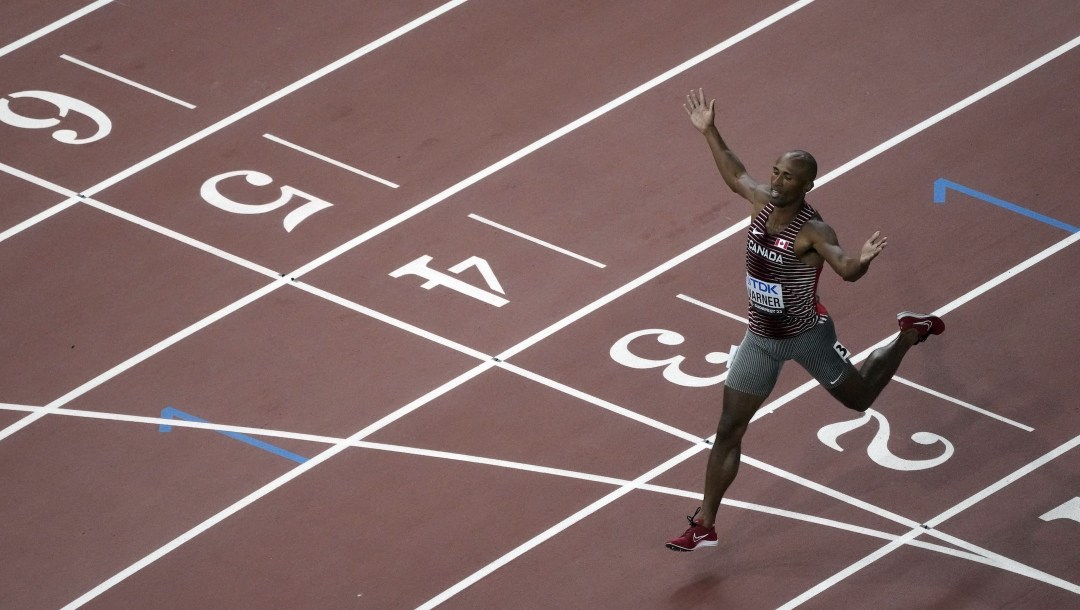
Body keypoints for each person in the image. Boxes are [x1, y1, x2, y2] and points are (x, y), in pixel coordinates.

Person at [665, 89, 944, 552]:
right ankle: (706, 522)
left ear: (806, 186)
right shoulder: (761, 202)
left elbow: (847, 271)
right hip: (760, 339)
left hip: (808, 337)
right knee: (729, 428)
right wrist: (708, 129)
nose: (775, 180)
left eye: (788, 177)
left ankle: (908, 335)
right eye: (775, 170)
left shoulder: (814, 231)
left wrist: (865, 259)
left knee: (859, 400)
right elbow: (734, 171)